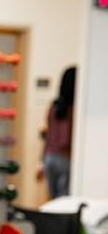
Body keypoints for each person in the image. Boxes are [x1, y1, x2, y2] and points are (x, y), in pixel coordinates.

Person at [37, 66, 76, 199]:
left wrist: (41, 162)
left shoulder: (53, 106)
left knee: (53, 199)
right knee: (63, 200)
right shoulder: (75, 109)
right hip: (65, 157)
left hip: (49, 157)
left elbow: (47, 134)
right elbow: (67, 138)